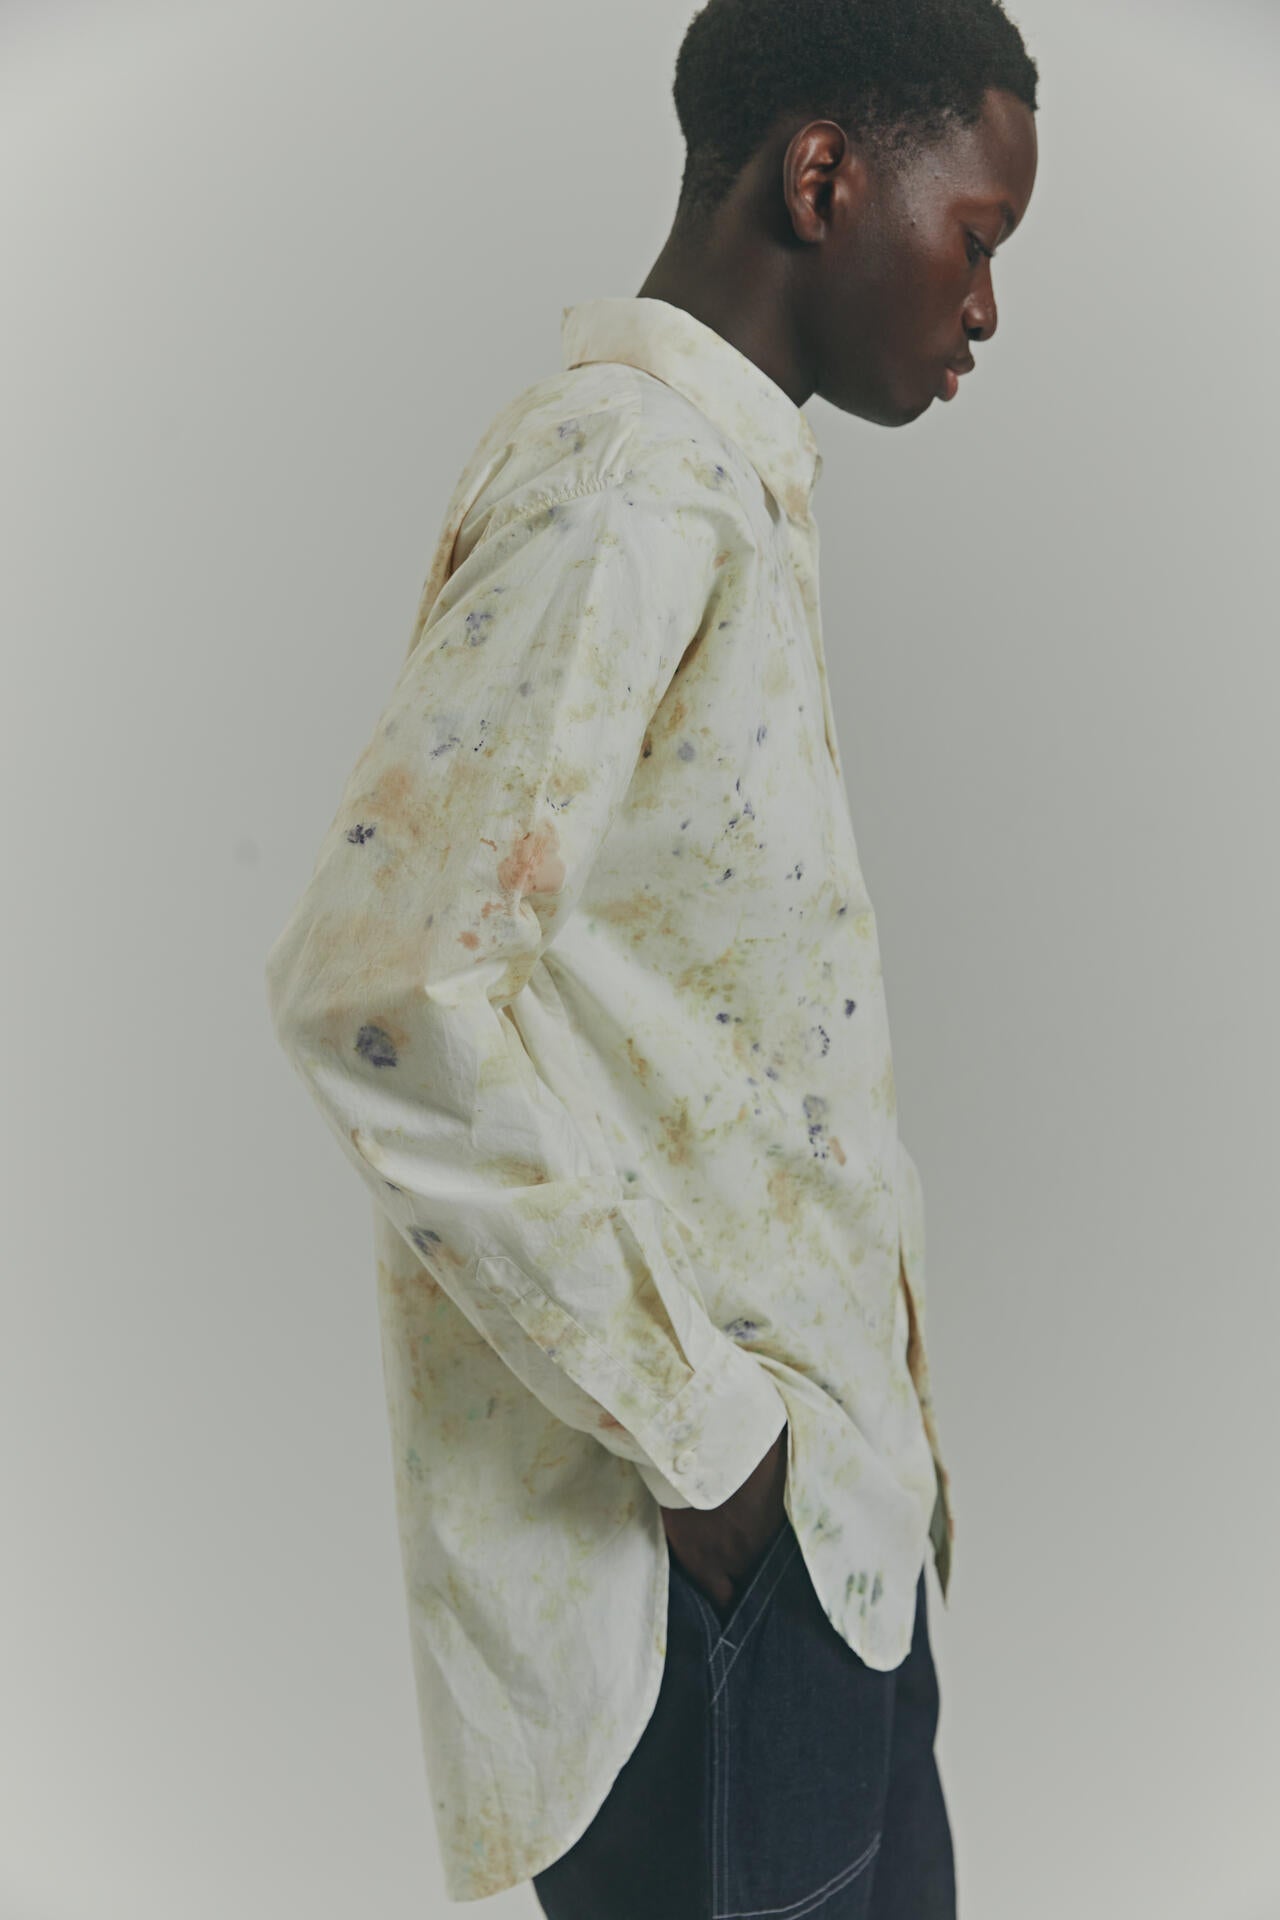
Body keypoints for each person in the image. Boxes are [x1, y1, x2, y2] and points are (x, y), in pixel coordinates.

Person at [263, 0, 1039, 1910]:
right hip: (702, 1578)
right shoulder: (630, 477)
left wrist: (809, 1478)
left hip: (824, 1540)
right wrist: (712, 1449)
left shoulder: (717, 478)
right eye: (977, 236)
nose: (985, 308)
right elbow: (380, 991)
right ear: (823, 174)